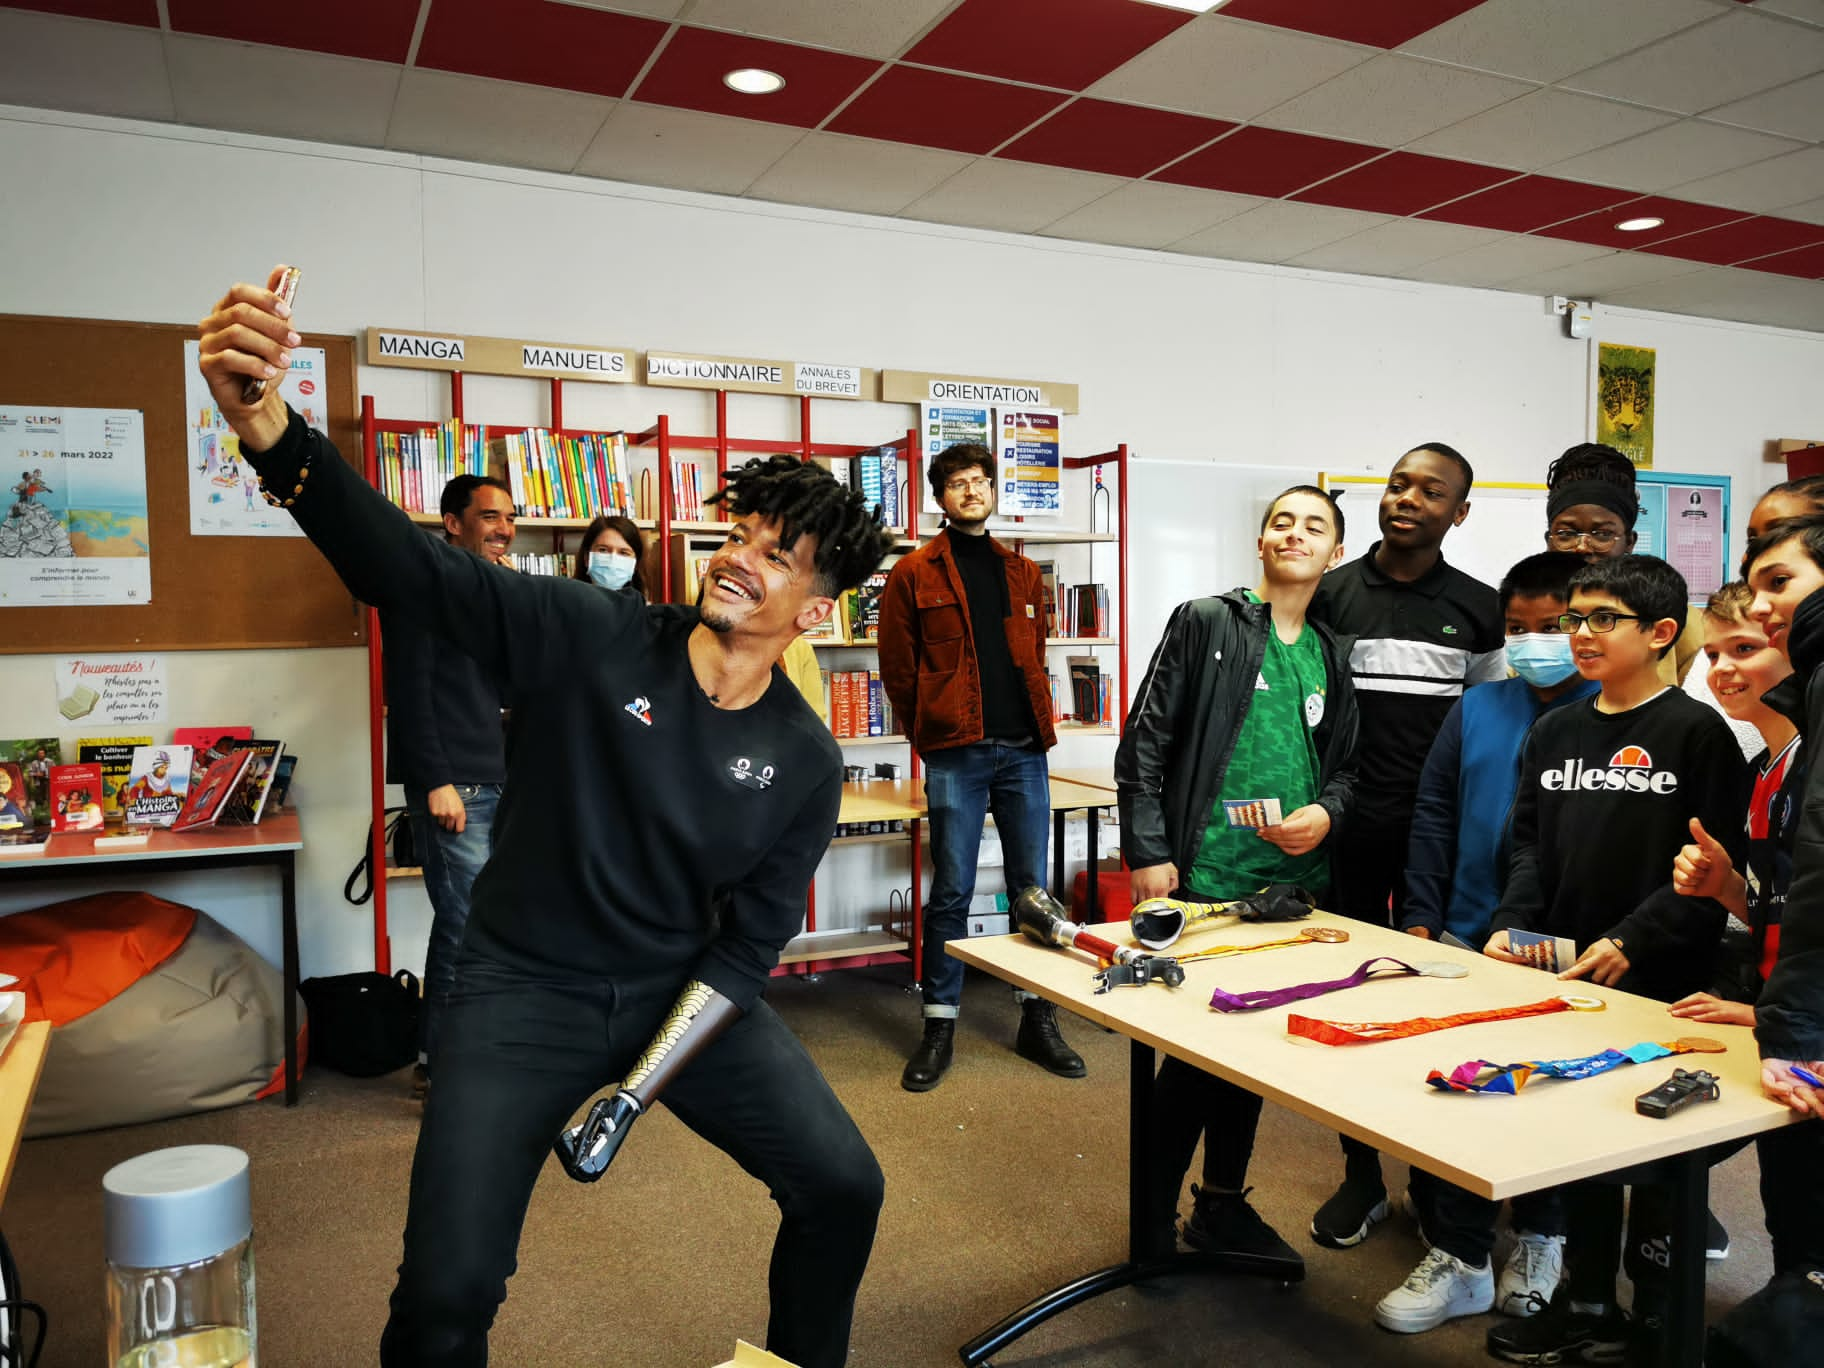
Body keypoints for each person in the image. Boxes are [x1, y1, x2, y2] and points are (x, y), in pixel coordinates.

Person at [198, 267, 890, 1368]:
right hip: (519, 988)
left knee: (846, 1185)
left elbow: (749, 945)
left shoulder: (806, 758)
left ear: (816, 608)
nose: (741, 559)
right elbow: (411, 573)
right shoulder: (594, 632)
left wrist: (640, 1084)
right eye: (741, 534)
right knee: (446, 1292)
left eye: (777, 553)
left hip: (678, 994)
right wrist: (273, 433)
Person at [1482, 555, 1749, 1366]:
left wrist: (1634, 938)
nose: (1580, 634)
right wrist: (1512, 922)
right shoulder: (1557, 727)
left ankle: (1662, 1315)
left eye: (1603, 619)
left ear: (1661, 634)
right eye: (1574, 618)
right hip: (1567, 973)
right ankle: (1588, 1300)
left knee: (1663, 1158)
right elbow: (1526, 840)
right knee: (1583, 1144)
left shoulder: (1697, 734)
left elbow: (1713, 864)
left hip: (1662, 982)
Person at [1116, 485, 1357, 1269]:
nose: (1295, 533)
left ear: (1336, 554)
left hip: (1289, 895)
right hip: (1203, 881)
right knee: (1190, 1064)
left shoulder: (1327, 650)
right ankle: (1149, 1220)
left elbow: (1347, 771)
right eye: (1282, 521)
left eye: (1314, 526)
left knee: (1249, 1056)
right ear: (1261, 541)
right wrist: (1149, 850)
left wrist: (1325, 813)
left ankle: (1221, 1205)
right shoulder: (1208, 621)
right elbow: (1145, 742)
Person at [1376, 551, 1594, 1334]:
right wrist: (1420, 915)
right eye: (1518, 629)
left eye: (1554, 627)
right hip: (1466, 938)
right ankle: (1462, 1254)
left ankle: (1542, 1238)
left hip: (1561, 953)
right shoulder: (1478, 707)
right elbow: (1433, 812)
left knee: (1549, 1098)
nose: (1535, 643)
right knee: (1464, 1093)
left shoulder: (1611, 712)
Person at [1308, 441, 1503, 1249]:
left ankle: (1436, 1176)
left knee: (1435, 1006)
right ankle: (1361, 1174)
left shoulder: (1483, 607)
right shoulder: (1330, 595)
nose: (1407, 500)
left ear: (1458, 513)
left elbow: (1491, 732)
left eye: (1431, 492)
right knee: (1348, 1003)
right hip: (1344, 832)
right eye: (1398, 484)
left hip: (1437, 841)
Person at [878, 441, 1082, 1091]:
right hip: (955, 753)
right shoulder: (913, 573)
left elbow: (1035, 656)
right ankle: (939, 1026)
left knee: (1034, 891)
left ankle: (1037, 1018)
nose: (972, 491)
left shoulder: (1022, 573)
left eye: (982, 481)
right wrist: (932, 738)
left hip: (1023, 751)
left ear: (994, 492)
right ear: (940, 499)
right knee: (952, 892)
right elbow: (897, 671)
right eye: (959, 483)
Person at [1666, 578, 1824, 1288]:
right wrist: (1727, 886)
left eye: (1748, 650)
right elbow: (1784, 908)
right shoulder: (1764, 767)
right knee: (1789, 1214)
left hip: (1810, 1037)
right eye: (1717, 652)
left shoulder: (1811, 763)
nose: (1723, 669)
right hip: (1782, 1019)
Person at [383, 472, 517, 1101]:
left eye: (510, 518)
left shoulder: (497, 592)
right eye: (489, 516)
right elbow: (407, 695)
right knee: (468, 924)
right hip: (453, 787)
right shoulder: (420, 590)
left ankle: (445, 1056)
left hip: (503, 782)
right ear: (453, 522)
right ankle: (447, 1069)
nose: (504, 529)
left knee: (472, 925)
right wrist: (434, 782)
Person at [1543, 443, 1703, 686]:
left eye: (1603, 534)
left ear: (1629, 542)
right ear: (1549, 541)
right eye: (1566, 533)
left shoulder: (1674, 616)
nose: (1582, 547)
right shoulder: (1529, 612)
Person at [572, 514, 648, 600]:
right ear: (586, 558)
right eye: (603, 550)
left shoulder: (643, 611)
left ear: (635, 564)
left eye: (623, 553)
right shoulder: (566, 607)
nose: (613, 560)